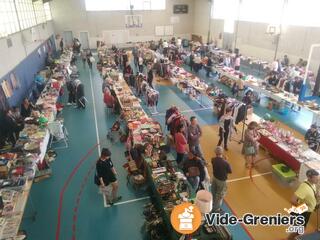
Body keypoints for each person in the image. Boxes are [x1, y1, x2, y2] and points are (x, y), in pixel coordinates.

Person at [288, 169, 319, 240]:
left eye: (318, 178)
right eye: (316, 178)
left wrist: (316, 196)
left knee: (300, 229)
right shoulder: (304, 188)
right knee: (297, 230)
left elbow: (311, 193)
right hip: (303, 213)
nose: (318, 180)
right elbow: (293, 200)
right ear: (309, 178)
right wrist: (303, 207)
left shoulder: (312, 184)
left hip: (307, 212)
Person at [211, 146, 232, 212]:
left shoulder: (213, 159)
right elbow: (230, 171)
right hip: (222, 181)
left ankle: (212, 204)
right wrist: (226, 160)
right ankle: (216, 209)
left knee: (214, 192)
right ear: (222, 152)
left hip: (214, 178)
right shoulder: (226, 163)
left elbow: (219, 163)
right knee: (220, 195)